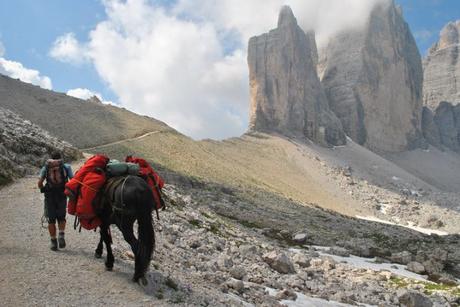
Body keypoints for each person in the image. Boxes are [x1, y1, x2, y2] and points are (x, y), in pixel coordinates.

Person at [38, 152, 73, 251]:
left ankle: (53, 242)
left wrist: (44, 189)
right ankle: (61, 235)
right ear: (60, 159)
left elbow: (39, 183)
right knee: (61, 217)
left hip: (50, 196)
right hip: (62, 195)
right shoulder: (66, 167)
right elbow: (73, 180)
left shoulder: (46, 167)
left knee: (51, 219)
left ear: (51, 158)